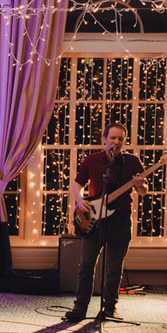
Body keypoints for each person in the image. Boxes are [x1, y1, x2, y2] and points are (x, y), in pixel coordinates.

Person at [64, 122, 146, 322]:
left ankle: (109, 308)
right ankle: (80, 307)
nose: (116, 142)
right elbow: (78, 183)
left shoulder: (133, 161)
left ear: (124, 141)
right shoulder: (92, 161)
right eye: (113, 138)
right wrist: (80, 200)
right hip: (95, 220)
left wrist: (140, 185)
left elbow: (143, 190)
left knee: (114, 267)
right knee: (86, 265)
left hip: (120, 220)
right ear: (104, 139)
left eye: (120, 139)